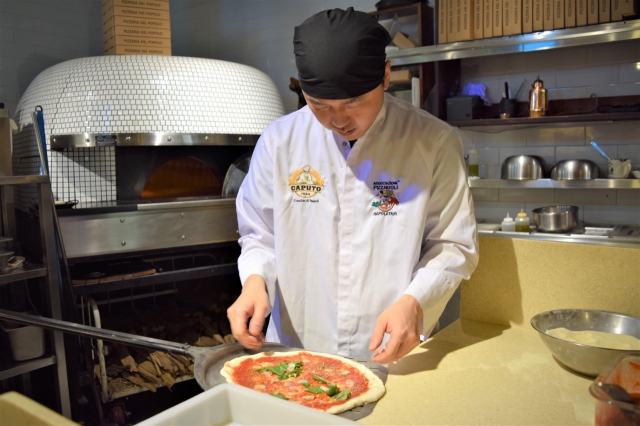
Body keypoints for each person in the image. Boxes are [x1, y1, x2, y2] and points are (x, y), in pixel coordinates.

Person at [227, 7, 478, 364]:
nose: (338, 120)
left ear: (386, 76)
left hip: (391, 349)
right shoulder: (280, 141)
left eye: (355, 102)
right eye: (319, 105)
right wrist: (255, 279)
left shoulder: (433, 142)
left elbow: (453, 244)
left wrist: (415, 302)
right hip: (295, 346)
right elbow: (259, 233)